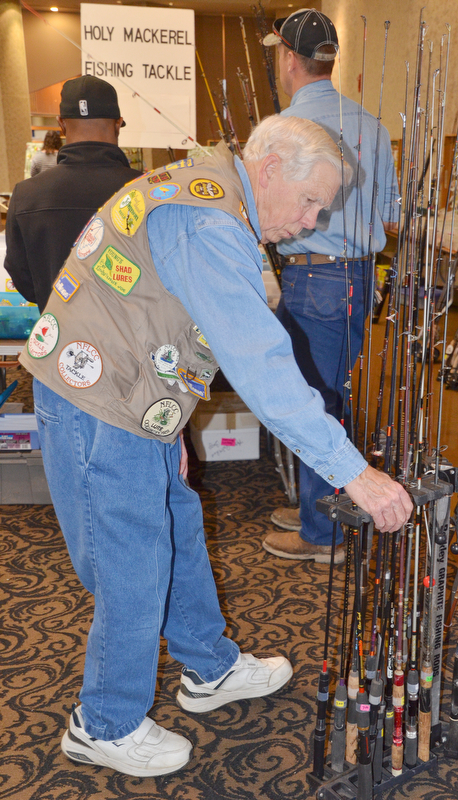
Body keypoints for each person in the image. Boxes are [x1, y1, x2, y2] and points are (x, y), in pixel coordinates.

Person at [19, 114, 413, 778]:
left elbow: (154, 313)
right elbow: (261, 364)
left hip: (130, 399)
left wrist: (166, 425)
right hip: (97, 403)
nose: (312, 220)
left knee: (177, 524)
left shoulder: (212, 193)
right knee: (131, 561)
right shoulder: (208, 223)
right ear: (268, 169)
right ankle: (103, 722)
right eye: (311, 201)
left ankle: (210, 666)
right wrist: (354, 473)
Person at [261, 9, 400, 564]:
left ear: (289, 59)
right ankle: (324, 504)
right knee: (330, 395)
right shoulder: (375, 127)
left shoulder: (281, 131)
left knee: (313, 401)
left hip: (313, 277)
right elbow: (389, 222)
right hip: (358, 278)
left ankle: (324, 533)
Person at [5, 75, 141, 313]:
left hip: (59, 342)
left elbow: (23, 277)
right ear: (118, 124)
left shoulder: (26, 195)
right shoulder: (146, 191)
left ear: (61, 124)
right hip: (133, 346)